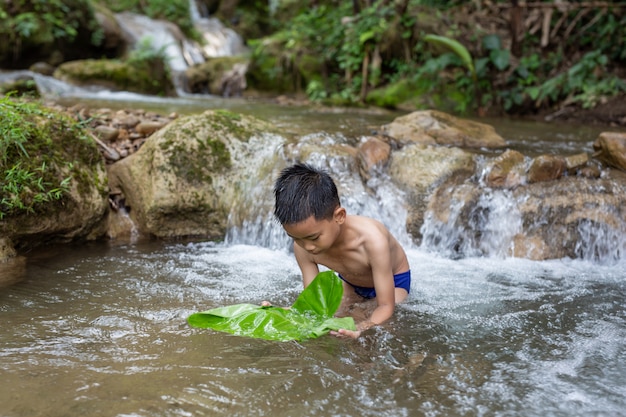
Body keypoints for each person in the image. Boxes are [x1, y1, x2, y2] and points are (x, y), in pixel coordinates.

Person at [273, 163, 411, 339]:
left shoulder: (372, 241)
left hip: (394, 281)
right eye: (295, 238)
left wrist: (362, 328)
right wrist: (281, 312)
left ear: (339, 216)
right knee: (335, 321)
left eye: (314, 238)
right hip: (351, 281)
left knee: (374, 325)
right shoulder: (303, 245)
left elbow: (386, 306)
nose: (307, 247)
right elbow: (314, 303)